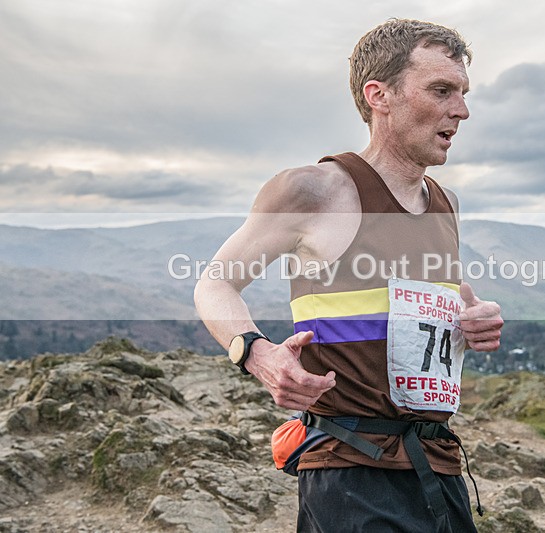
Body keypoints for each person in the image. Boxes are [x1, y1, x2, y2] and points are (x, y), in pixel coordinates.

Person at [194, 18, 503, 532]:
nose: (462, 110)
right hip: (349, 468)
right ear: (379, 95)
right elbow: (215, 283)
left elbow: (406, 324)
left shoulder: (445, 204)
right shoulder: (312, 190)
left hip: (438, 464)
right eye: (442, 90)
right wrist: (255, 352)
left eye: (464, 93)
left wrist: (470, 324)